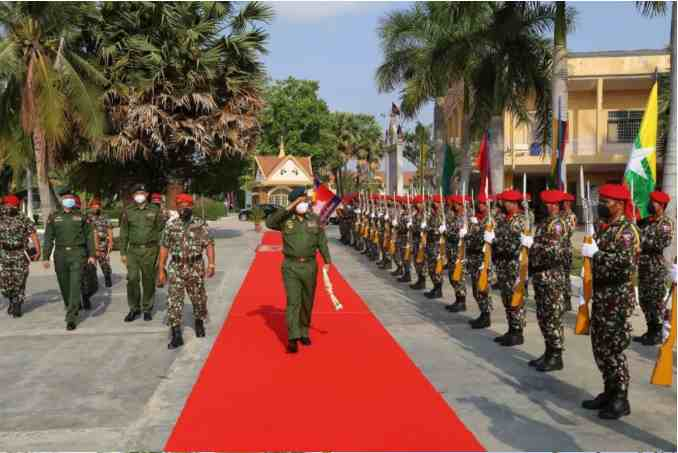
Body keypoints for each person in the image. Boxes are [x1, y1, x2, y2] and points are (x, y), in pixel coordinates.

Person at [580, 184, 639, 419]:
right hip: (603, 296)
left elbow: (623, 264)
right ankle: (609, 390)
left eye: (607, 202)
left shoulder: (626, 231)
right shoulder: (605, 228)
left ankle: (620, 398)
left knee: (614, 348)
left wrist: (596, 254)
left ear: (621, 204)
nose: (602, 205)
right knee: (600, 347)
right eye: (602, 201)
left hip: (617, 297)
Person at [266, 187, 332, 354]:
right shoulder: (285, 220)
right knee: (293, 302)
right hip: (291, 267)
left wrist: (327, 260)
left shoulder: (314, 219)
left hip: (310, 266)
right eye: (301, 200)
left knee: (307, 302)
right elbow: (270, 222)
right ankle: (293, 337)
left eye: (305, 200)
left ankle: (303, 331)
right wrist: (291, 206)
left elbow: (321, 240)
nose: (305, 203)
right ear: (295, 202)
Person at [157, 193, 216, 349]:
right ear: (177, 207)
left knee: (198, 298)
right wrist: (161, 269)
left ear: (192, 206)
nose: (183, 207)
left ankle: (198, 321)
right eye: (180, 205)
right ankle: (176, 334)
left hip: (195, 266)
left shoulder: (200, 224)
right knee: (174, 300)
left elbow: (209, 244)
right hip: (176, 267)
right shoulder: (171, 225)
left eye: (186, 205)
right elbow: (164, 246)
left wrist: (211, 264)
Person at [524, 190, 570, 372]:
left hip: (552, 276)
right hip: (541, 275)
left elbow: (554, 251)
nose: (550, 207)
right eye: (548, 204)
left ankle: (556, 354)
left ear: (558, 206)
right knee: (543, 316)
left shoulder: (558, 224)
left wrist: (532, 246)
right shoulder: (545, 223)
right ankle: (549, 351)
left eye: (553, 204)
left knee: (553, 316)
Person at [42, 191, 96, 330]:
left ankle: (71, 317)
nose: (68, 200)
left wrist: (92, 255)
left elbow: (89, 236)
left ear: (73, 200)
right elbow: (48, 237)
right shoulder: (54, 217)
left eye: (70, 198)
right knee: (64, 284)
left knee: (75, 283)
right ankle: (71, 305)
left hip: (78, 253)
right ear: (62, 200)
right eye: (65, 198)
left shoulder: (81, 217)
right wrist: (46, 256)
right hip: (60, 254)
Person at [488, 189, 527, 347]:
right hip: (503, 264)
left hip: (514, 264)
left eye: (507, 202)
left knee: (515, 298)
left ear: (514, 204)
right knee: (506, 297)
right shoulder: (506, 219)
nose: (504, 205)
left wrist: (495, 242)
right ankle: (511, 328)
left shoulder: (520, 220)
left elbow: (512, 244)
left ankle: (518, 332)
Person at [634, 190, 674, 345]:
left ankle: (657, 332)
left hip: (655, 268)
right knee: (644, 300)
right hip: (644, 266)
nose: (651, 204)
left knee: (655, 301)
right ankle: (650, 330)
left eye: (654, 202)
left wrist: (641, 245)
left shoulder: (665, 224)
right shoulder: (647, 222)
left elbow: (661, 243)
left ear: (662, 206)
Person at [119, 184, 163, 322]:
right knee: (132, 279)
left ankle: (147, 308)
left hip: (150, 250)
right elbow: (124, 232)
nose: (139, 195)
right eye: (137, 193)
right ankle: (134, 308)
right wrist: (122, 252)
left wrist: (161, 251)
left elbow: (161, 230)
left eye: (142, 192)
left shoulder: (155, 210)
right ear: (133, 196)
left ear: (147, 194)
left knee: (148, 279)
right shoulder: (127, 211)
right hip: (133, 250)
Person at [0, 195, 40, 318]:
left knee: (20, 279)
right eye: (5, 205)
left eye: (9, 205)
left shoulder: (23, 219)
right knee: (5, 281)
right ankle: (11, 298)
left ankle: (17, 303)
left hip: (20, 253)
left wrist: (38, 250)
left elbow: (33, 234)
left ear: (15, 205)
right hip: (4, 253)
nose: (7, 207)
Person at [466, 193, 492, 329]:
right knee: (476, 289)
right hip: (473, 258)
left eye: (483, 204)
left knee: (482, 288)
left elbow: (489, 239)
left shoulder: (490, 219)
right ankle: (482, 313)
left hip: (483, 258)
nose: (481, 206)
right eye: (479, 204)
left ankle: (486, 315)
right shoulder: (476, 219)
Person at [445, 195, 468, 311]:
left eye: (456, 203)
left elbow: (463, 234)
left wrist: (464, 232)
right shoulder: (454, 216)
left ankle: (462, 301)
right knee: (452, 277)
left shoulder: (465, 217)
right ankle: (457, 299)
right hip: (451, 250)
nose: (453, 205)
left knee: (459, 277)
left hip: (460, 251)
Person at [88, 198, 114, 288]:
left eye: (97, 205)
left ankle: (107, 278)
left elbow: (109, 229)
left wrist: (111, 241)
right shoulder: (87, 217)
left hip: (103, 244)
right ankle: (93, 282)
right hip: (90, 244)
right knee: (91, 265)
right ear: (90, 207)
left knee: (105, 264)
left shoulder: (105, 216)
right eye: (94, 205)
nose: (96, 207)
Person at [561, 193, 577, 311]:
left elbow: (570, 232)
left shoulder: (571, 216)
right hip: (558, 248)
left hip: (566, 248)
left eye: (566, 202)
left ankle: (567, 300)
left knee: (565, 276)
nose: (564, 204)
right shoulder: (560, 215)